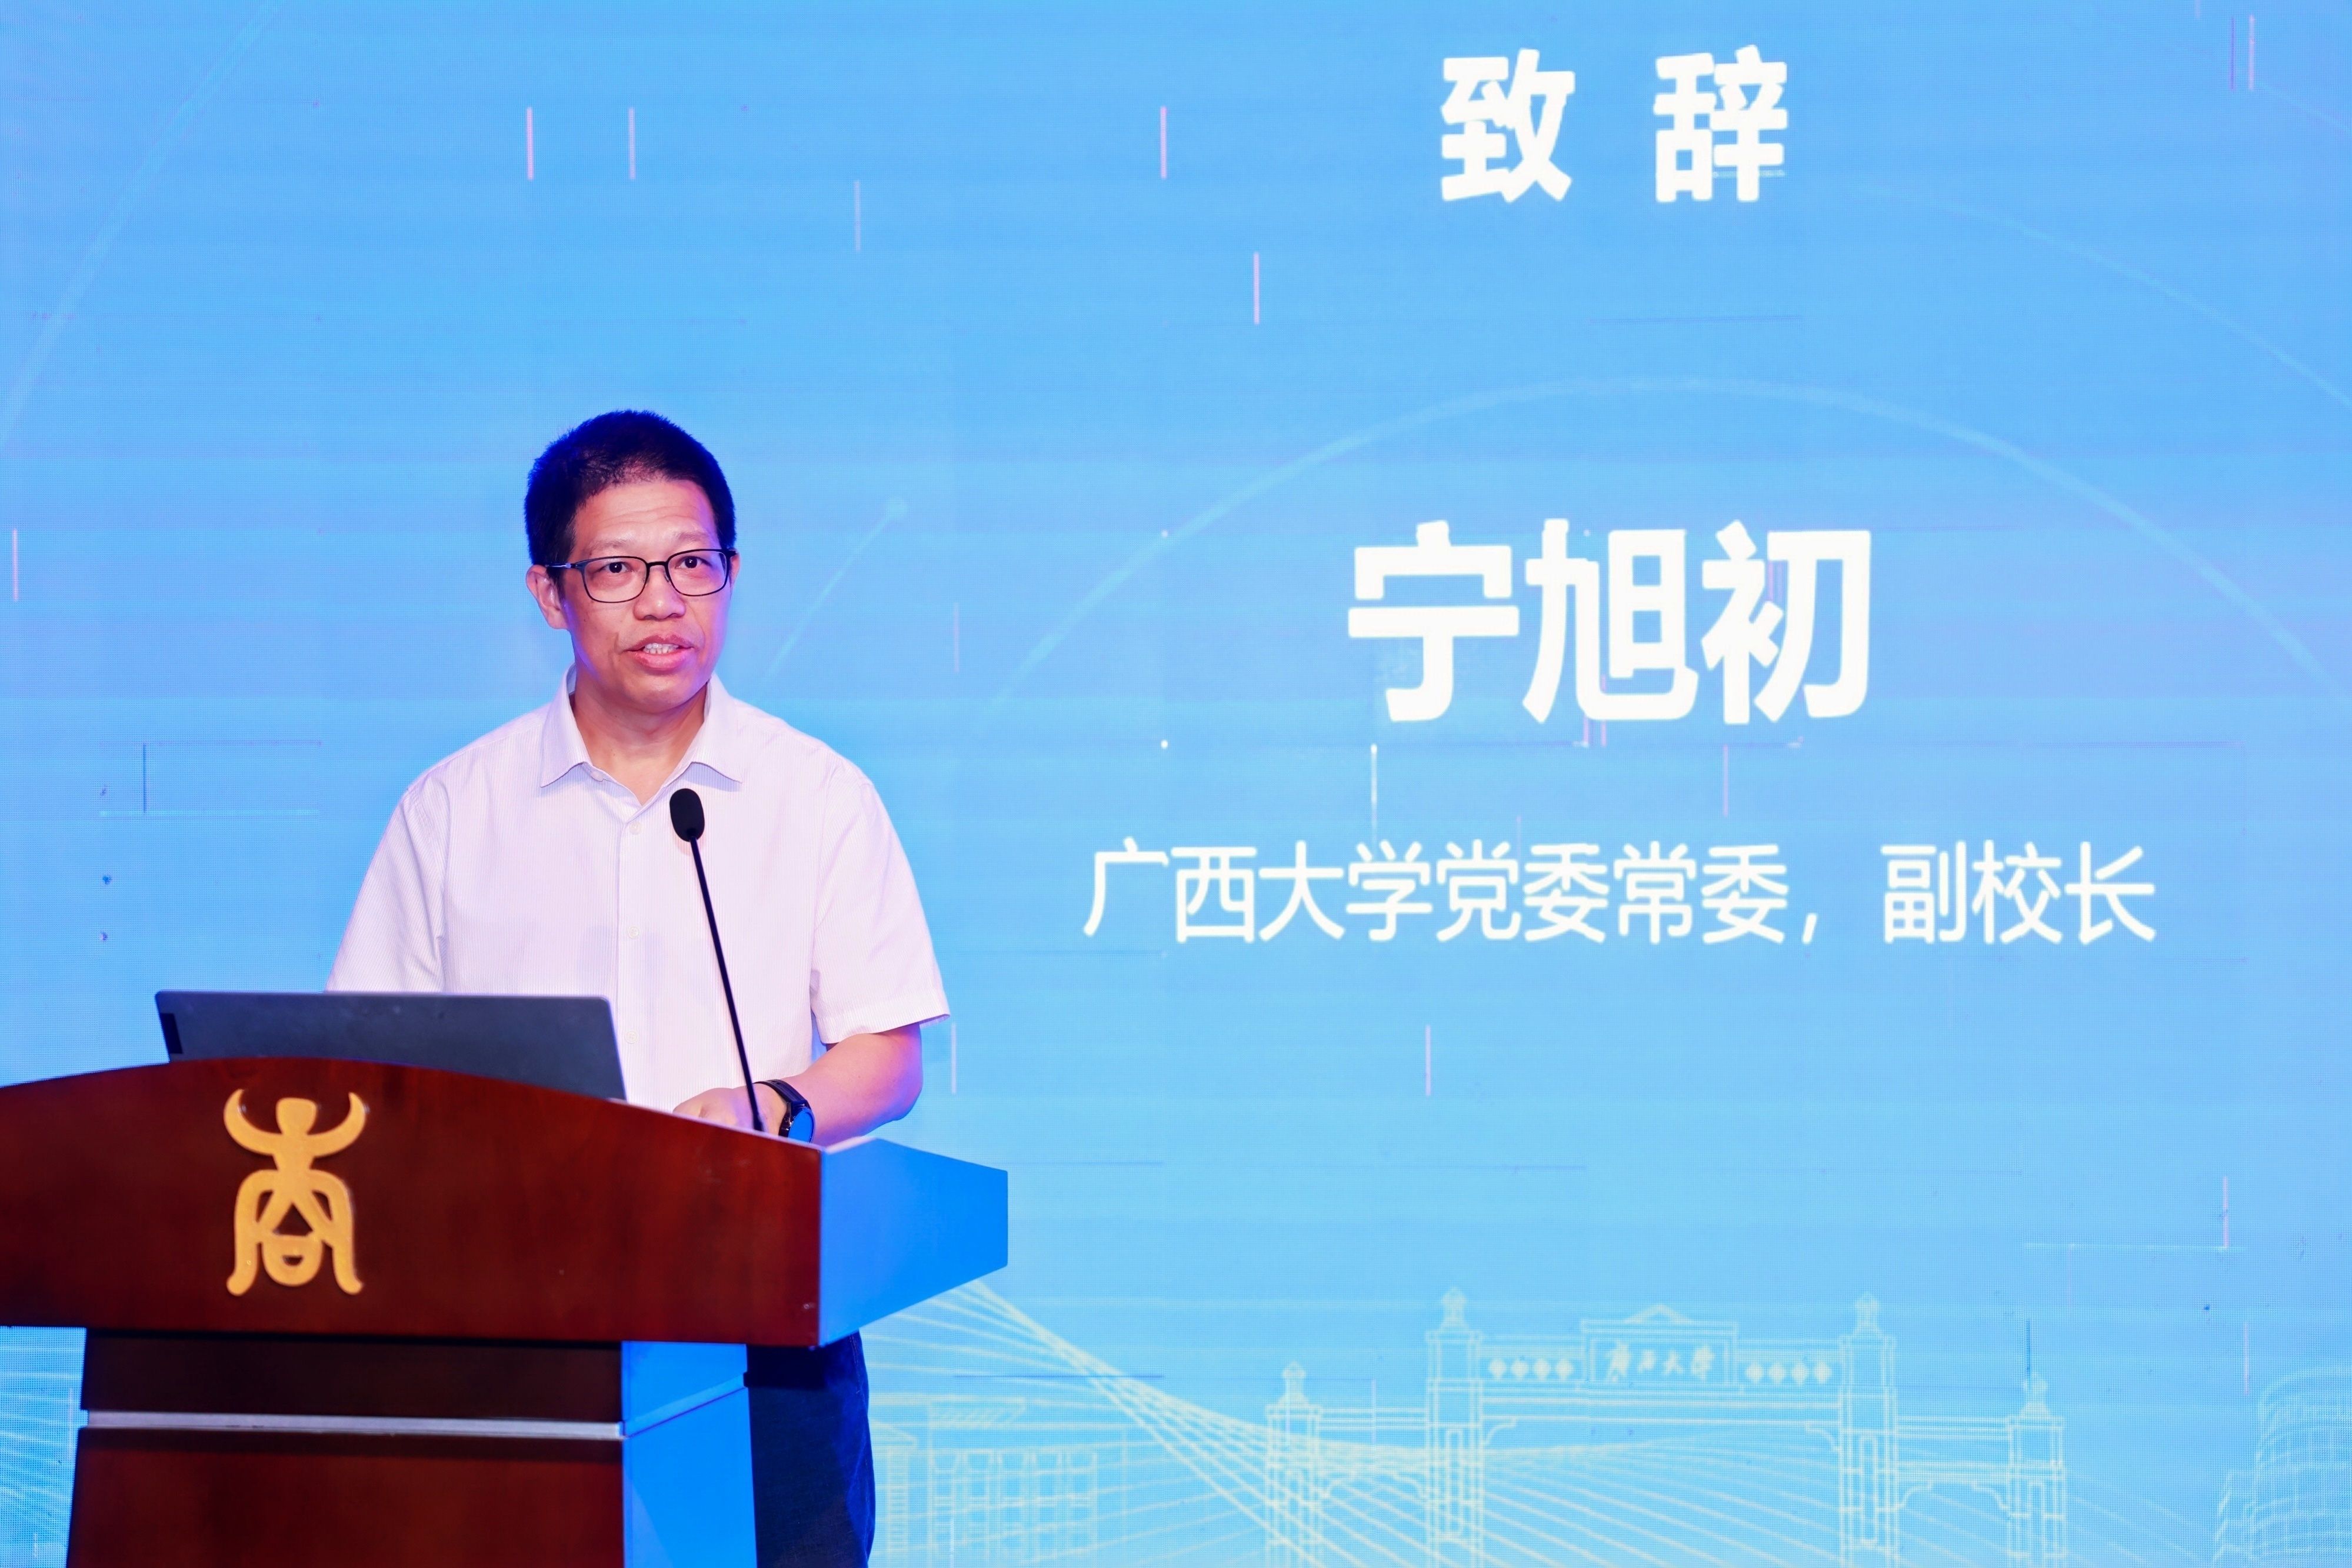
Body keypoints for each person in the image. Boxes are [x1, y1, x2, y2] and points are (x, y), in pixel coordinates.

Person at [327, 409, 945, 1566]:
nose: (663, 601)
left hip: (762, 1322)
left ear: (731, 574)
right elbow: (367, 1064)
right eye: (618, 569)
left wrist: (776, 1104)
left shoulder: (817, 796)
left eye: (692, 563)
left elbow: (889, 1055)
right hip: (509, 1319)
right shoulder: (453, 811)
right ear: (550, 593)